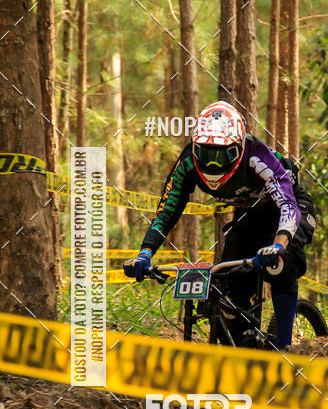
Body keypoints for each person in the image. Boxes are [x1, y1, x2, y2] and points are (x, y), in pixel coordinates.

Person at [123, 101, 316, 351]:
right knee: (227, 290)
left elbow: (287, 206)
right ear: (195, 148)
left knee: (279, 267)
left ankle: (286, 351)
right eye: (205, 153)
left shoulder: (258, 156)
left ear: (238, 149)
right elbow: (166, 211)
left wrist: (278, 245)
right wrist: (145, 253)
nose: (212, 164)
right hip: (249, 215)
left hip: (289, 209)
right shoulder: (188, 163)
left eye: (222, 155)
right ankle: (243, 352)